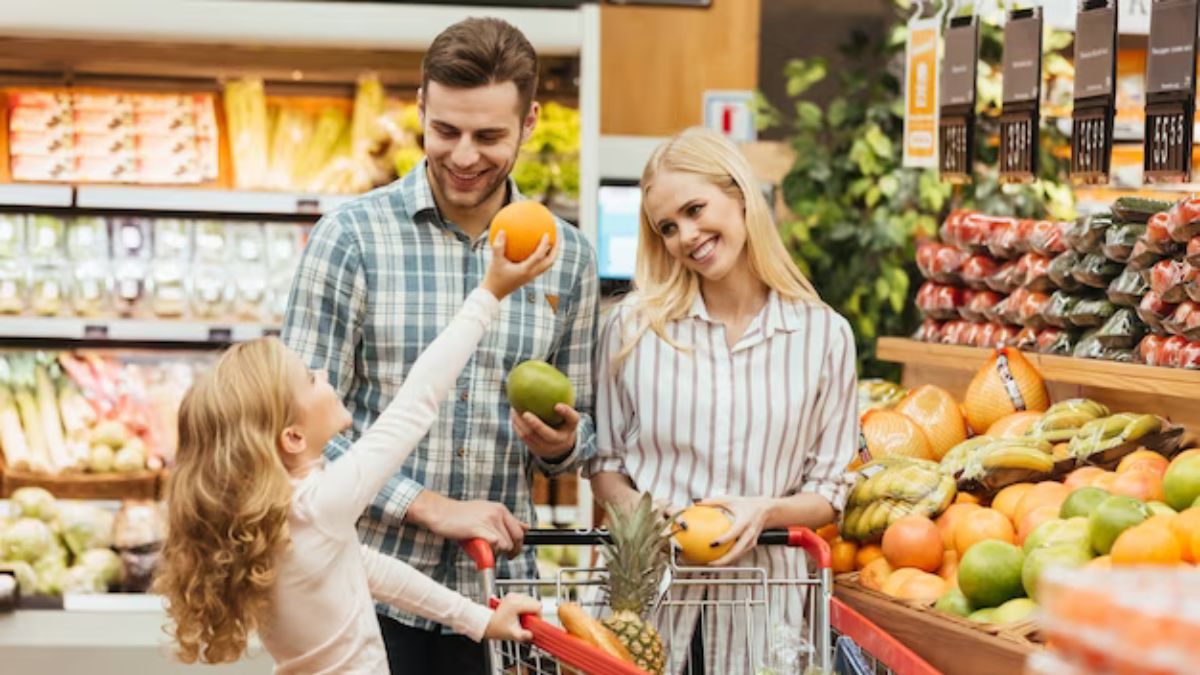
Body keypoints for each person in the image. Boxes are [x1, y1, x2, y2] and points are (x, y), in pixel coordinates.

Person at [280, 16, 599, 674]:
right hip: (362, 593)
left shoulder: (566, 258)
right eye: (445, 130)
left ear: (531, 121)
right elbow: (294, 430)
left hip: (501, 598)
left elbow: (582, 437)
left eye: (488, 136)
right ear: (420, 107)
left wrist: (560, 442)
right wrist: (427, 506)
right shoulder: (351, 238)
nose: (462, 155)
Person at [155, 233, 554, 673]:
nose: (324, 373)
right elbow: (415, 404)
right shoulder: (317, 506)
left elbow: (371, 571)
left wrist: (480, 620)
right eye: (309, 379)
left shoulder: (286, 516)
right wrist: (489, 294)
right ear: (292, 438)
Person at [585, 127, 858, 674]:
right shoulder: (634, 331)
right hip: (649, 611)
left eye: (695, 209)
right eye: (668, 227)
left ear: (738, 193)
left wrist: (765, 512)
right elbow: (606, 463)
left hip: (765, 615)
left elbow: (830, 491)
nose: (687, 235)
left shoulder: (824, 337)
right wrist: (642, 512)